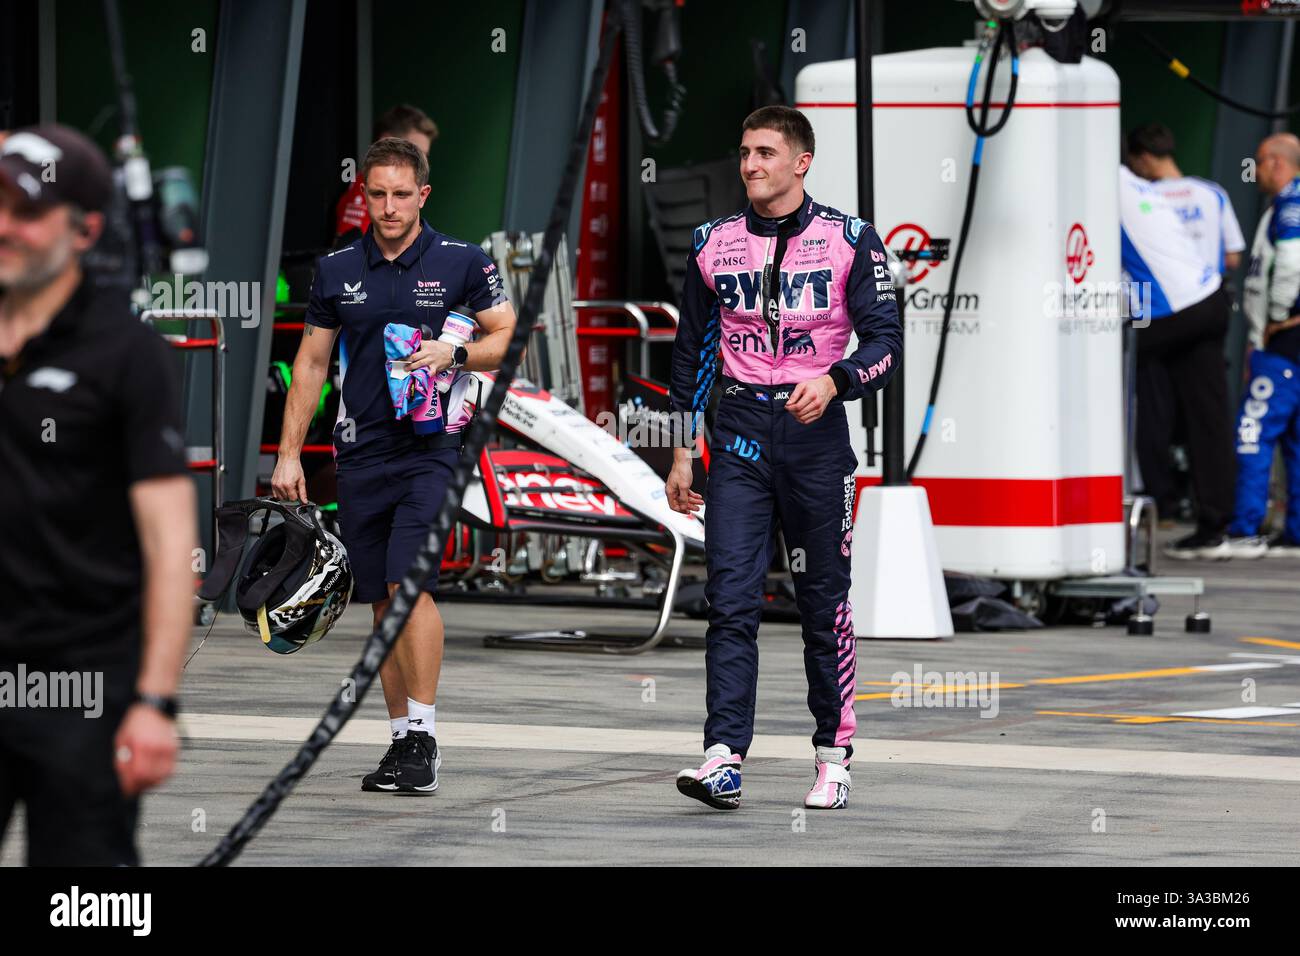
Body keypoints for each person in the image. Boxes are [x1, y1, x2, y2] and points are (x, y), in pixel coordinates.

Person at [665, 105, 901, 811]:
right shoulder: (712, 242)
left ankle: (834, 755)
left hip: (816, 443)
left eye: (765, 152)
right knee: (729, 600)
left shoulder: (851, 239)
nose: (750, 165)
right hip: (737, 437)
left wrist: (835, 381)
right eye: (743, 152)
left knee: (822, 601)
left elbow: (887, 343)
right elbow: (690, 359)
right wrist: (683, 452)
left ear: (802, 162)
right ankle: (722, 756)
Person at [272, 137, 517, 794]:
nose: (387, 206)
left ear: (422, 196)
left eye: (400, 194)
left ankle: (427, 734)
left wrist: (456, 358)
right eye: (376, 194)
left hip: (432, 450)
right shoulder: (336, 269)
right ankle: (403, 742)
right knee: (381, 600)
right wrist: (290, 453)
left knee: (411, 586)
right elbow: (313, 365)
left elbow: (506, 336)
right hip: (359, 455)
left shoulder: (464, 262)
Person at [0, 125, 197, 864]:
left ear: (83, 230)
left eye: (26, 213)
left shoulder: (126, 354)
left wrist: (154, 703)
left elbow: (171, 545)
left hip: (83, 681)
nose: (4, 228)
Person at [1119, 163, 1241, 560]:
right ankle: (1214, 523)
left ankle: (1160, 502)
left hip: (1168, 311)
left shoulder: (1097, 181)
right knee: (1209, 417)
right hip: (1209, 297)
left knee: (1138, 397)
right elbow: (1233, 256)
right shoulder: (1146, 187)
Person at [1225, 133, 1300, 558]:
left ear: (1275, 162)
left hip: (1283, 342)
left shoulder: (1291, 204)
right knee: (1296, 440)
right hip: (1292, 343)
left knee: (1252, 432)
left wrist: (1274, 318)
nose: (1253, 172)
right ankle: (1296, 532)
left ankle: (1244, 529)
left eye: (1257, 163)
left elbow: (1291, 262)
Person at [335, 105, 439, 246]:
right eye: (414, 151)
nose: (423, 162)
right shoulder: (365, 187)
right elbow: (346, 254)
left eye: (425, 155)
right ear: (387, 141)